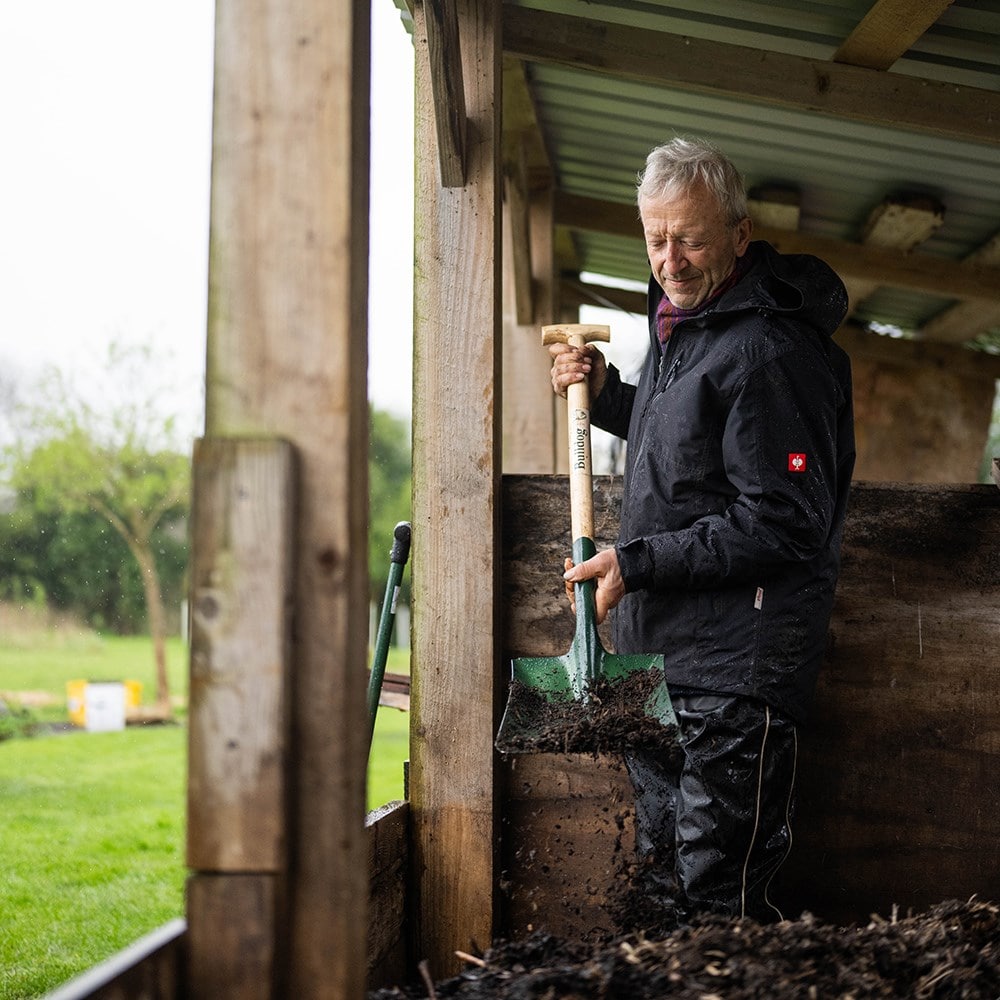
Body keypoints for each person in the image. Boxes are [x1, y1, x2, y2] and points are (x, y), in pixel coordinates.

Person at [549, 136, 855, 924]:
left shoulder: (771, 349)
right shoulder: (692, 328)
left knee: (715, 901)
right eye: (656, 239)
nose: (671, 260)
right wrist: (606, 391)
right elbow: (679, 440)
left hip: (735, 673)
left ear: (739, 236)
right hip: (667, 662)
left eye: (689, 238)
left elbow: (784, 520)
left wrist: (638, 561)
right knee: (661, 890)